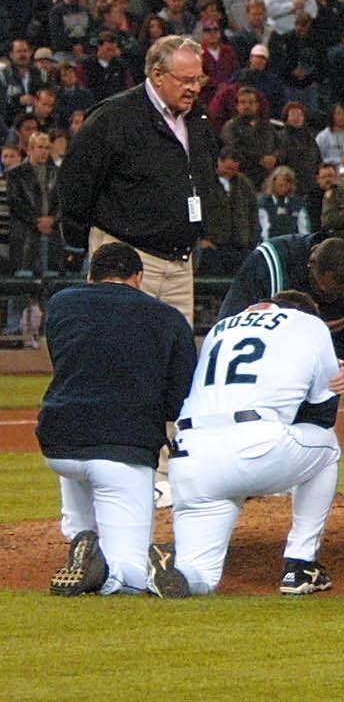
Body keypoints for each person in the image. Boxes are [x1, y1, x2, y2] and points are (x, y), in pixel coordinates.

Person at [153, 290, 344, 598]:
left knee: (200, 576)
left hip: (190, 456)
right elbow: (321, 416)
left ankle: (171, 571)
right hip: (253, 445)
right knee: (327, 448)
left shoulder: (222, 327)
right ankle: (300, 564)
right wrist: (337, 381)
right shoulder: (308, 324)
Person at [39, 243, 196, 596]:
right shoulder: (167, 317)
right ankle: (112, 571)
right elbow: (177, 400)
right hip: (122, 449)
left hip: (60, 442)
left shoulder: (61, 304)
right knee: (130, 578)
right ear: (138, 277)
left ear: (90, 275)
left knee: (83, 475)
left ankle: (84, 542)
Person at [58, 35, 217, 320]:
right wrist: (76, 242)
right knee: (122, 351)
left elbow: (203, 178)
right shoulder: (114, 117)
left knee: (174, 354)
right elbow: (75, 183)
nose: (194, 88)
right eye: (185, 80)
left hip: (180, 264)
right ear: (157, 75)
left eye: (198, 80)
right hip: (125, 261)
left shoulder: (197, 119)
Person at [217, 233, 344, 481]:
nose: (325, 299)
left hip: (325, 373)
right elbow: (229, 326)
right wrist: (305, 325)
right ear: (310, 263)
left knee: (323, 443)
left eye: (335, 295)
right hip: (263, 371)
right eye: (322, 290)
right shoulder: (270, 261)